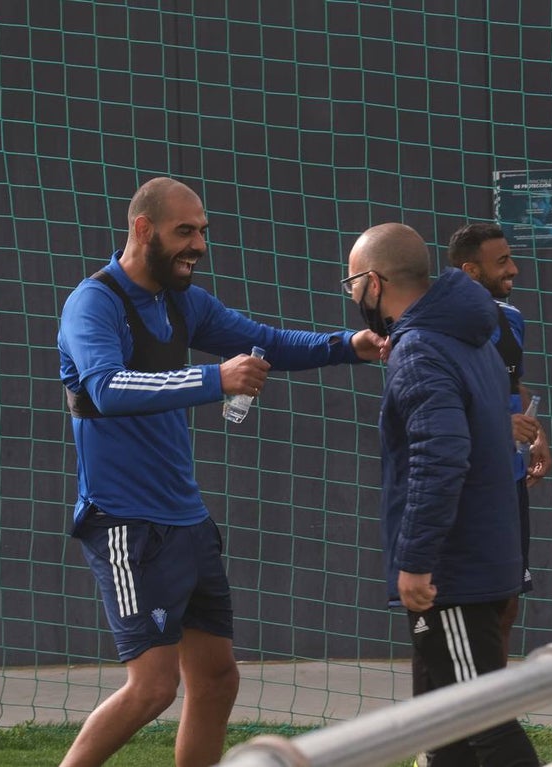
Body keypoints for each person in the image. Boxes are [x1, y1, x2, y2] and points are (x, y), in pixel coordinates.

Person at [57, 176, 386, 767]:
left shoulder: (182, 301)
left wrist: (348, 344)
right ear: (142, 229)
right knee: (154, 687)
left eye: (203, 232)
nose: (198, 244)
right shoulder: (94, 302)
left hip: (188, 521)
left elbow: (266, 342)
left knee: (216, 679)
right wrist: (216, 379)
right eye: (185, 231)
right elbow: (105, 389)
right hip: (126, 524)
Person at [346, 222, 539, 766]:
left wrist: (416, 561)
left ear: (375, 283)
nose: (354, 296)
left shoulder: (421, 350)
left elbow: (441, 459)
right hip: (477, 562)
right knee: (441, 726)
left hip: (453, 574)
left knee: (483, 723)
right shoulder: (467, 331)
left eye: (353, 284)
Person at [447, 222, 552, 660]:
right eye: (502, 262)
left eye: (511, 257)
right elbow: (444, 402)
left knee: (508, 601)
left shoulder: (511, 318)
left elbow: (514, 385)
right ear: (470, 271)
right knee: (471, 604)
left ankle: (495, 705)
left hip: (509, 479)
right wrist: (497, 426)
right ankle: (458, 710)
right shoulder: (442, 328)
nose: (515, 268)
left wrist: (538, 432)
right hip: (468, 483)